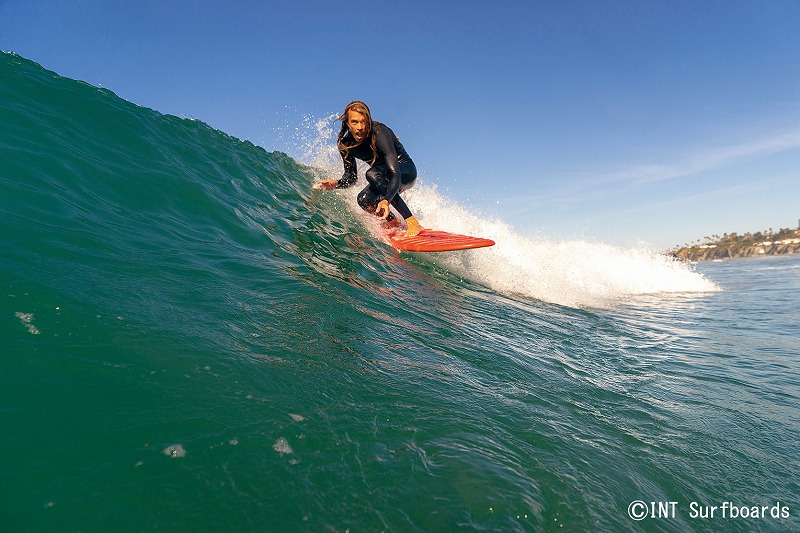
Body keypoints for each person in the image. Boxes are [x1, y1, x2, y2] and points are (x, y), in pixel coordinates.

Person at [314, 101, 423, 237]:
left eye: (363, 122)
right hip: (381, 177)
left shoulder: (379, 131)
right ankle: (393, 221)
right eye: (354, 122)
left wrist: (386, 200)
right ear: (347, 123)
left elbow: (394, 172)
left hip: (405, 171)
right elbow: (351, 178)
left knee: (371, 173)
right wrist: (336, 184)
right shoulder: (346, 145)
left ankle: (412, 221)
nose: (360, 127)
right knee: (363, 199)